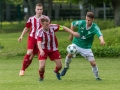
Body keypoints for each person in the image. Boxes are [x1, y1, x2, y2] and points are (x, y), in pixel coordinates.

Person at [60, 12, 105, 80]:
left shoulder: (95, 27)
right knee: (69, 55)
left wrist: (102, 40)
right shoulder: (81, 22)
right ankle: (66, 67)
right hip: (76, 43)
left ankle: (97, 77)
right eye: (86, 19)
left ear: (93, 20)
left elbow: (100, 34)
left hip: (86, 47)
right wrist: (71, 35)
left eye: (89, 20)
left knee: (93, 63)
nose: (87, 21)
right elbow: (72, 24)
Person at [18, 3, 50, 76]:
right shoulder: (31, 19)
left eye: (40, 9)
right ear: (35, 10)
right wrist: (21, 36)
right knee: (29, 52)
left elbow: (49, 28)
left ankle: (24, 69)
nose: (39, 11)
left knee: (31, 56)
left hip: (40, 40)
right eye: (38, 9)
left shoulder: (46, 18)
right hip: (32, 38)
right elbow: (26, 28)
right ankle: (22, 70)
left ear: (42, 10)